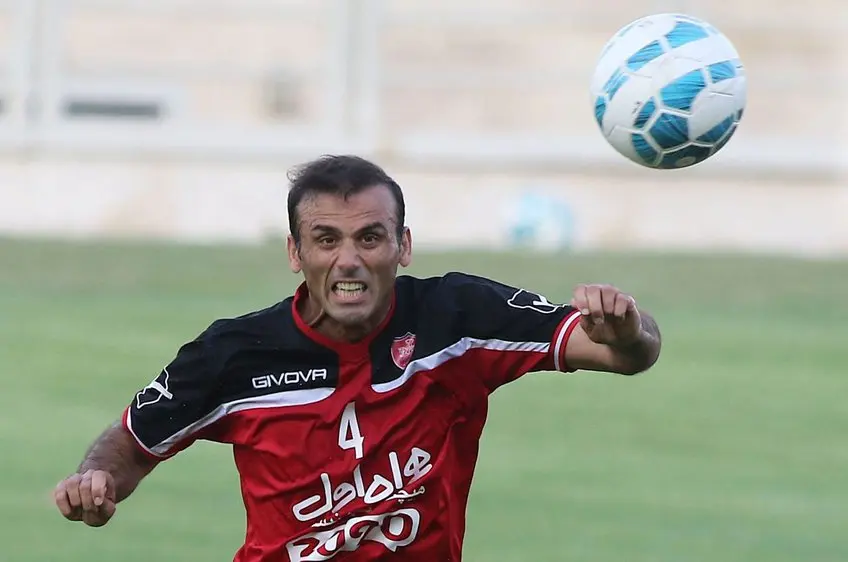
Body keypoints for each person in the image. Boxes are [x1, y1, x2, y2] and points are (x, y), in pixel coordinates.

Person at [54, 155, 661, 561]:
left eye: (370, 237)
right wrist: (96, 483)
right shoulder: (234, 355)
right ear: (296, 253)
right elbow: (131, 443)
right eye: (326, 240)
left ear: (403, 246)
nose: (349, 259)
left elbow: (627, 354)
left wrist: (626, 329)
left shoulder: (458, 319)